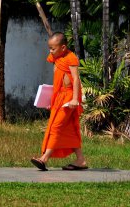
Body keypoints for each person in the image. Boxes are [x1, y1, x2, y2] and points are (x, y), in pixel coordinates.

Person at [31, 32, 88, 171]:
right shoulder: (55, 57)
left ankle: (44, 158)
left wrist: (75, 99)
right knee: (69, 128)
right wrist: (52, 99)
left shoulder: (71, 58)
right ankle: (81, 160)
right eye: (49, 48)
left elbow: (75, 80)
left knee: (56, 127)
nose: (50, 51)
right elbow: (58, 79)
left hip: (69, 98)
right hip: (59, 96)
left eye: (53, 48)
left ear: (63, 47)